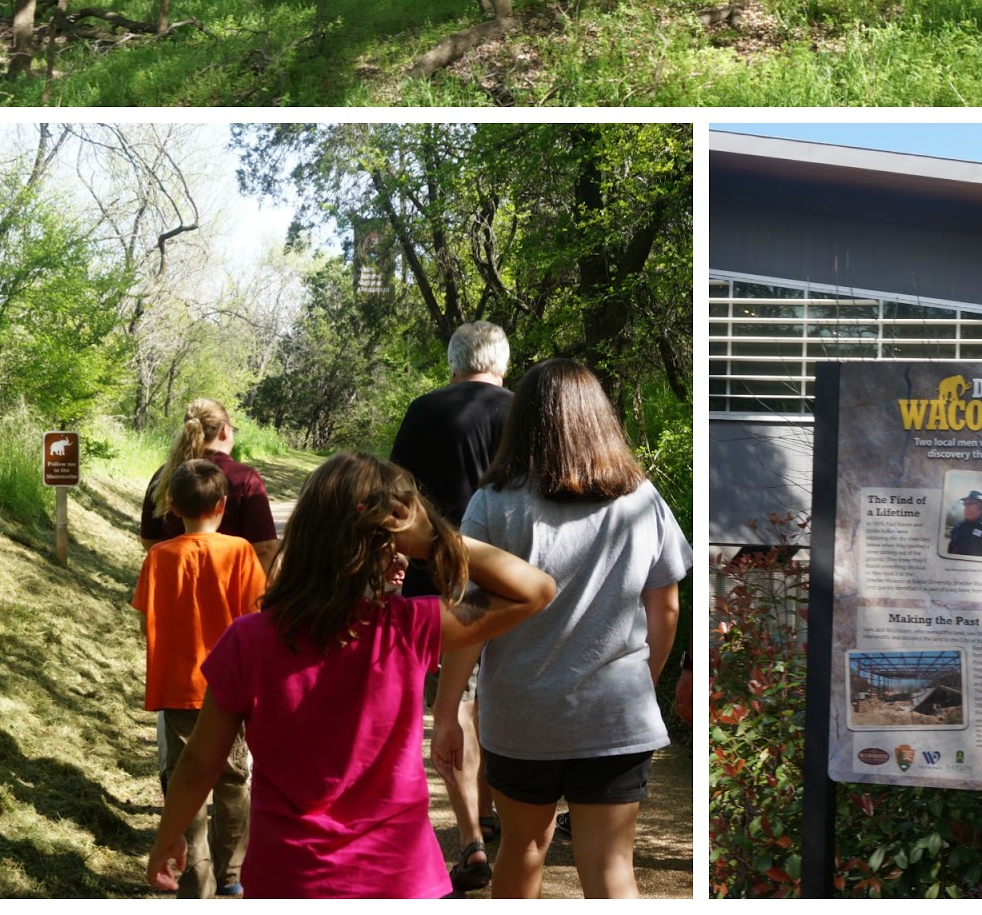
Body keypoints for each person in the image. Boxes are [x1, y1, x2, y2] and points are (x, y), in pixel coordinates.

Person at [144, 453, 555, 900]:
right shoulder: (407, 627)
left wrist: (170, 833)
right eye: (390, 546)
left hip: (288, 880)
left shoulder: (250, 640)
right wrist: (434, 539)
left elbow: (200, 762)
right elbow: (536, 590)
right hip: (400, 880)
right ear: (355, 546)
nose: (403, 561)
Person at [433, 358, 693, 900]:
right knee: (611, 865)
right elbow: (666, 608)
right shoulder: (641, 500)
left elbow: (470, 618)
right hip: (616, 713)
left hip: (522, 716)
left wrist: (446, 715)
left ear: (523, 421)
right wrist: (644, 678)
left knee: (523, 848)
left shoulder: (493, 503)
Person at [389, 320, 514, 889]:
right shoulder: (524, 412)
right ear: (503, 362)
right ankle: (499, 815)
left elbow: (396, 494)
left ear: (453, 362)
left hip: (433, 572)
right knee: (497, 693)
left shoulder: (424, 411)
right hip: (512, 573)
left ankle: (470, 837)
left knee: (453, 701)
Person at [133, 460, 265, 899]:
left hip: (178, 686)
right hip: (231, 686)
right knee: (232, 780)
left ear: (172, 507)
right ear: (224, 505)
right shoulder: (241, 552)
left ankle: (195, 882)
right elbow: (256, 616)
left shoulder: (159, 557)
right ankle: (233, 878)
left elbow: (144, 622)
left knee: (185, 783)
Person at [142, 399, 279, 578]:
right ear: (224, 431)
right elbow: (265, 549)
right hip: (232, 594)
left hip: (177, 593)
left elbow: (150, 541)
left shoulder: (165, 475)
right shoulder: (245, 478)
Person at [947, 491, 982, 557]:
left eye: (970, 503)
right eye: (965, 503)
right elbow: (951, 549)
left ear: (981, 507)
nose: (966, 506)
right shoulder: (959, 526)